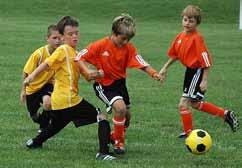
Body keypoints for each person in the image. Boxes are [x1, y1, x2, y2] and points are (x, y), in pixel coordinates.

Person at [23, 16, 115, 160]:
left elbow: (88, 76)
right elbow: (47, 63)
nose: (74, 36)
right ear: (62, 37)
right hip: (69, 98)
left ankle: (34, 142)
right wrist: (31, 76)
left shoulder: (76, 54)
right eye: (70, 34)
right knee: (101, 116)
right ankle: (103, 153)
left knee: (56, 126)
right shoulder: (64, 50)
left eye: (76, 33)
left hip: (60, 101)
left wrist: (98, 73)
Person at [76, 13, 161, 154]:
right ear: (114, 34)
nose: (125, 42)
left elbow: (141, 63)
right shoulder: (100, 45)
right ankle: (119, 143)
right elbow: (79, 57)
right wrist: (87, 71)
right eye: (123, 39)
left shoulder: (128, 48)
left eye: (128, 39)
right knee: (120, 108)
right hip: (104, 85)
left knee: (127, 117)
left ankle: (114, 136)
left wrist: (154, 73)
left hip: (120, 84)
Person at [158, 5, 239, 138]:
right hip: (190, 72)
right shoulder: (180, 36)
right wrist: (164, 68)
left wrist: (204, 79)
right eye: (185, 20)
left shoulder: (197, 38)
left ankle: (189, 133)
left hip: (197, 71)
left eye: (191, 21)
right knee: (194, 103)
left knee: (183, 103)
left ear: (197, 23)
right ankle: (225, 114)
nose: (187, 23)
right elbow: (175, 55)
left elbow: (206, 59)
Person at [20, 25, 61, 132]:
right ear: (47, 39)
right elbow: (26, 72)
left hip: (47, 84)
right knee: (33, 116)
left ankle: (43, 129)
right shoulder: (38, 54)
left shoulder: (60, 53)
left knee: (47, 102)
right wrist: (23, 91)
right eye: (54, 38)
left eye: (59, 38)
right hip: (32, 88)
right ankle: (44, 121)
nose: (57, 41)